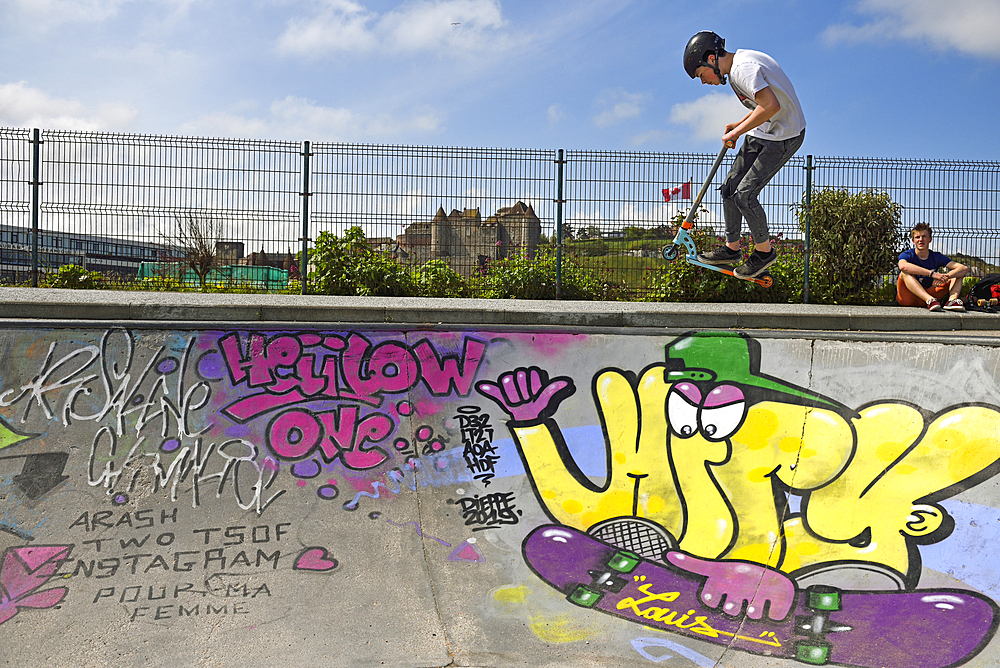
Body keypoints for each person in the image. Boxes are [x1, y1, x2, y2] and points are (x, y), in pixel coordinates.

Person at [683, 31, 806, 279]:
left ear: (710, 59)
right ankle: (732, 249)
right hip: (765, 129)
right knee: (729, 187)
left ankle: (764, 252)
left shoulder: (743, 69)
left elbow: (771, 106)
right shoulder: (736, 69)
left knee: (745, 194)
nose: (703, 82)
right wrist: (738, 124)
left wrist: (737, 132)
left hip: (785, 134)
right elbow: (760, 106)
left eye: (700, 75)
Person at [896, 222, 968, 311]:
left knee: (957, 273)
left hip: (930, 296)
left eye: (924, 236)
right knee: (904, 273)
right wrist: (932, 274)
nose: (921, 239)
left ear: (930, 239)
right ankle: (929, 300)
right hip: (908, 298)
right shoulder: (907, 255)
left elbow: (964, 268)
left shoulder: (936, 256)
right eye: (917, 237)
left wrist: (944, 277)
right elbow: (903, 266)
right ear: (913, 241)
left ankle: (952, 301)